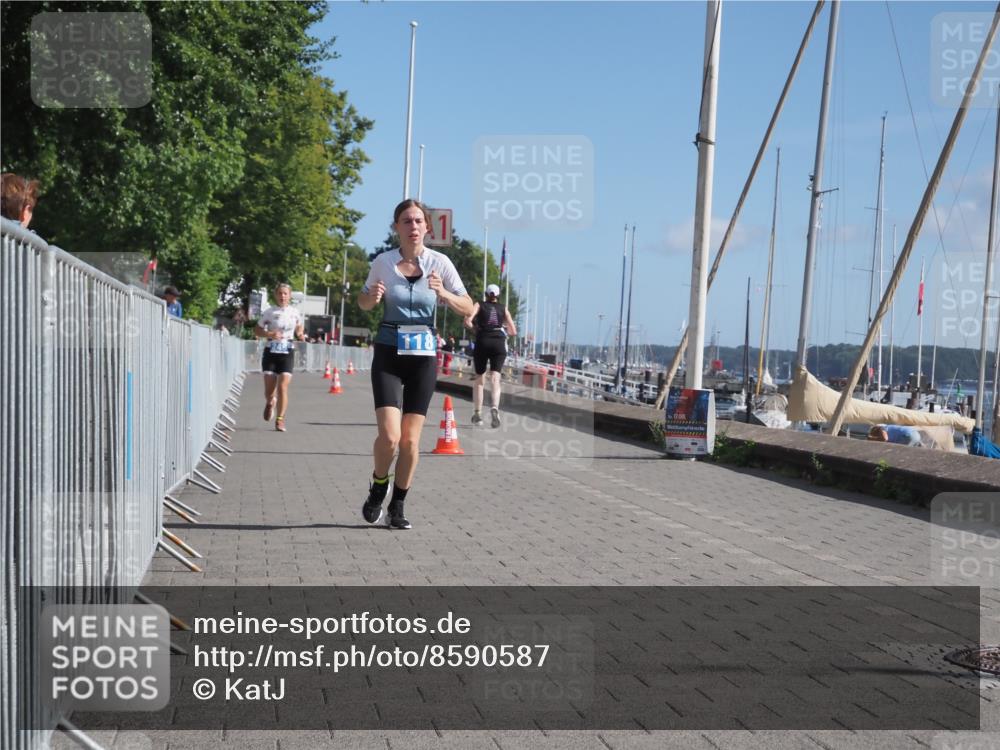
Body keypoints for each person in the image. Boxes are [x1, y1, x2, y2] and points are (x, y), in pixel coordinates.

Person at [358, 199, 473, 529]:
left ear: (427, 228)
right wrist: (373, 297)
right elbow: (364, 302)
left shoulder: (441, 263)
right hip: (389, 354)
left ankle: (398, 504)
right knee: (390, 438)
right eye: (406, 221)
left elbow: (467, 307)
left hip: (423, 357)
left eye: (418, 221)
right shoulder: (383, 262)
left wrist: (444, 294)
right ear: (396, 227)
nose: (413, 226)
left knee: (410, 441)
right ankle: (379, 485)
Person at [464, 283, 517, 428]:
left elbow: (468, 321)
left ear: (486, 294)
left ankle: (478, 414)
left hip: (483, 340)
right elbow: (513, 331)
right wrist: (503, 327)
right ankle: (494, 408)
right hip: (499, 342)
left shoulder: (479, 305)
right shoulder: (503, 308)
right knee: (495, 378)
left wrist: (475, 328)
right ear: (498, 296)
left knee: (480, 379)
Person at [255, 283, 305, 433]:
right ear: (276, 295)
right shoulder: (269, 312)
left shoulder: (295, 312)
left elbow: (299, 326)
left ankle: (280, 419)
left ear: (289, 296)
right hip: (271, 352)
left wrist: (300, 334)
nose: (282, 296)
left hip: (287, 352)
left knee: (283, 386)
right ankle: (271, 402)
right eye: (280, 293)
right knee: (269, 391)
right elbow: (257, 330)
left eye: (285, 294)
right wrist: (270, 334)